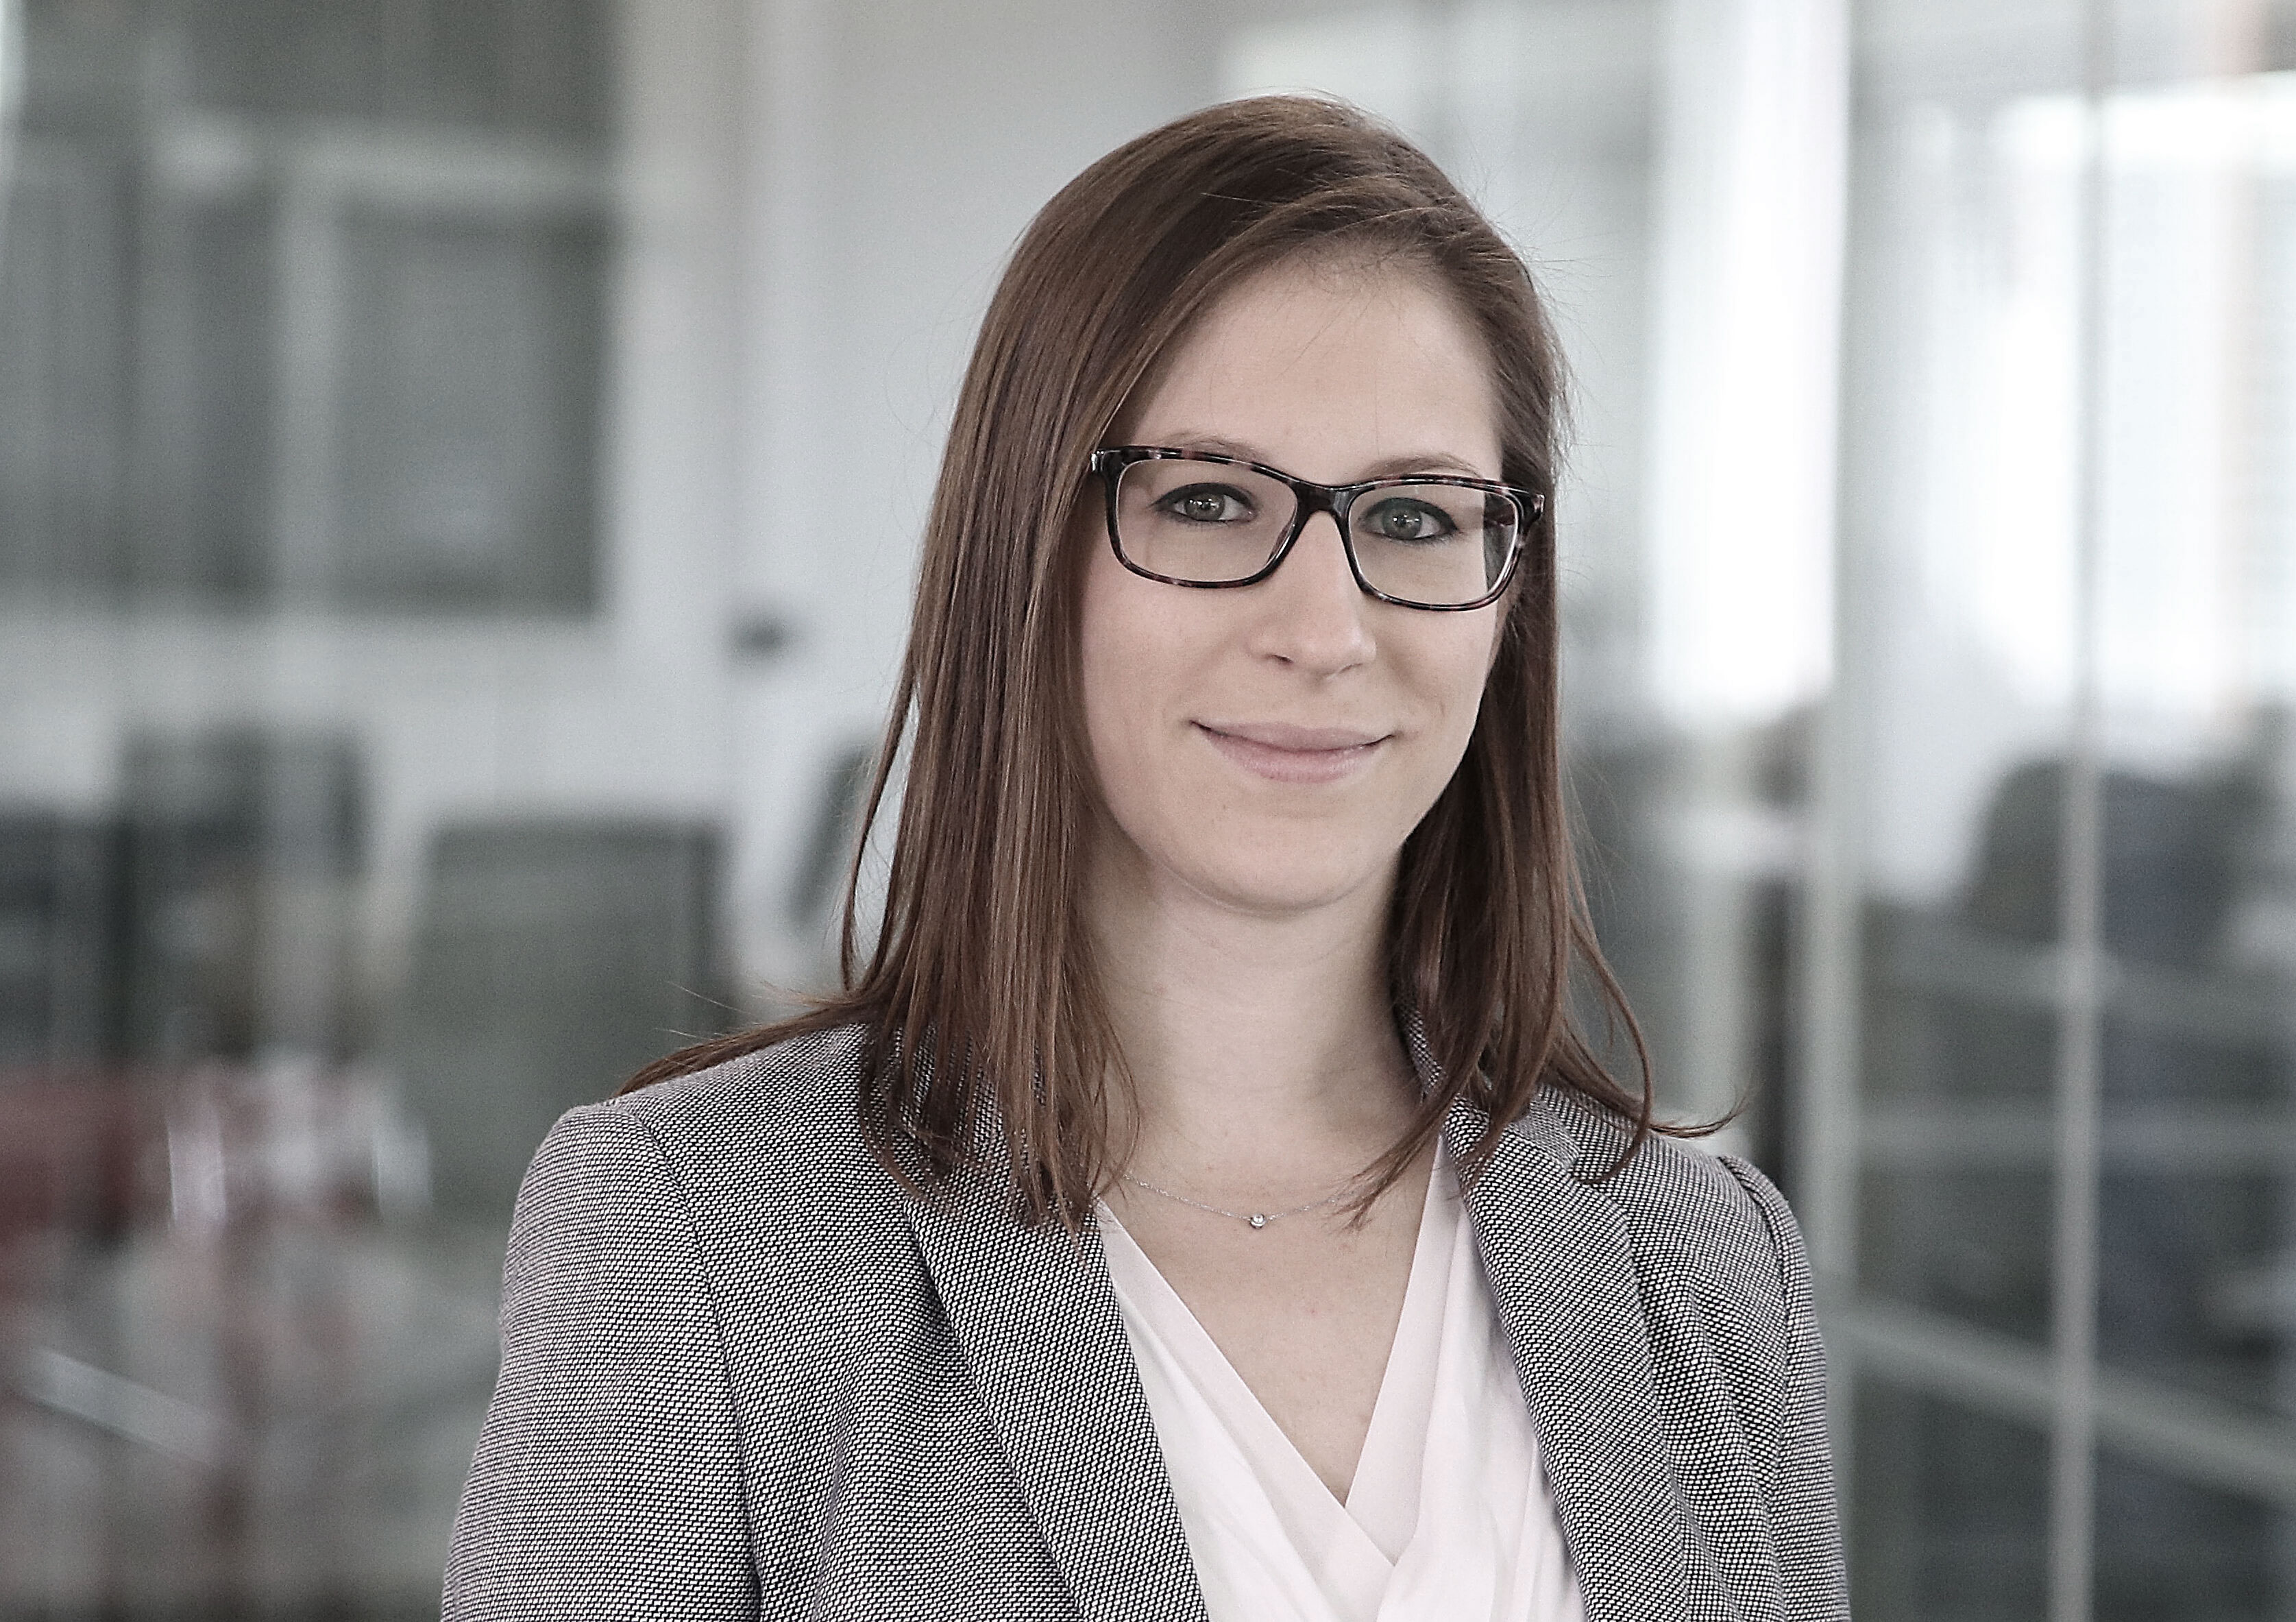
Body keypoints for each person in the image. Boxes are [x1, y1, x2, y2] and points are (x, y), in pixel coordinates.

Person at [441, 95, 1845, 1622]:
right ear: (1025, 552)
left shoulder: (1703, 1262)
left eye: (1416, 517)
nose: (1324, 628)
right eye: (1205, 500)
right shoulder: (693, 1236)